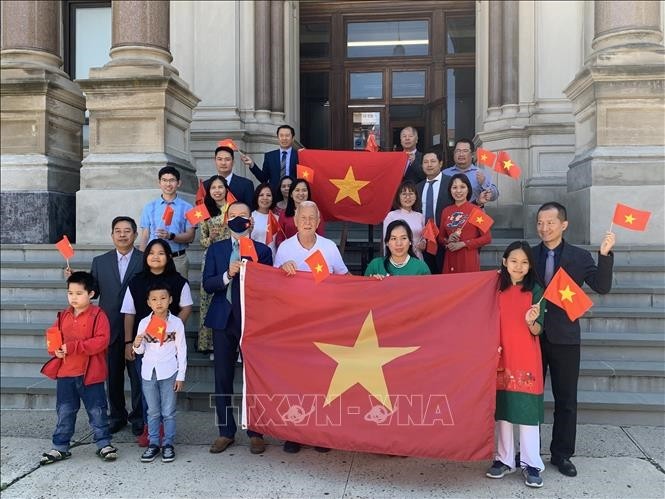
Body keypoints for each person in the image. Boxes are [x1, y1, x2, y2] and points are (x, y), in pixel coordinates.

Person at [532, 202, 615, 478]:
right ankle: (530, 453)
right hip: (531, 336)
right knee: (529, 398)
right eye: (540, 223)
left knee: (566, 400)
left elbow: (602, 286)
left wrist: (604, 255)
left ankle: (562, 453)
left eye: (550, 222)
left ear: (564, 225)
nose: (544, 228)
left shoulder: (579, 257)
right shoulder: (528, 255)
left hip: (565, 338)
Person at [274, 200, 349, 454]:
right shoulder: (284, 248)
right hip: (295, 325)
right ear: (295, 221)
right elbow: (271, 285)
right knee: (295, 379)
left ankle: (320, 433)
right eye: (303, 217)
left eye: (312, 218)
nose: (307, 222)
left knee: (322, 379)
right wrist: (282, 270)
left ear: (318, 222)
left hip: (324, 323)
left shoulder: (328, 247)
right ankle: (294, 433)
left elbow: (345, 279)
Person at [203, 202, 273, 456]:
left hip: (251, 321)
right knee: (222, 378)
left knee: (253, 378)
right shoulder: (216, 250)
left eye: (242, 216)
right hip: (223, 320)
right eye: (233, 216)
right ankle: (225, 431)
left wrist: (250, 271)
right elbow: (208, 284)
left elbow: (268, 287)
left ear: (250, 220)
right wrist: (227, 274)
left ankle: (256, 432)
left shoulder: (262, 251)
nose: (237, 219)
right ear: (225, 220)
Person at [40, 271, 118, 465]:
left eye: (79, 293)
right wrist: (55, 350)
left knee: (97, 410)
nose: (73, 297)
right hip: (66, 372)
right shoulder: (63, 315)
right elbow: (53, 336)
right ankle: (60, 446)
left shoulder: (98, 315)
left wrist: (75, 346)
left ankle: (104, 443)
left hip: (90, 373)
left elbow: (102, 341)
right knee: (65, 410)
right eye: (70, 293)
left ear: (91, 294)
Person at [121, 238, 193, 446]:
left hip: (168, 348)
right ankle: (148, 429)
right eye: (151, 252)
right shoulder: (135, 282)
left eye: (161, 253)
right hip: (143, 346)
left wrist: (173, 328)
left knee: (166, 393)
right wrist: (129, 342)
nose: (155, 256)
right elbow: (128, 313)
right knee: (147, 390)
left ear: (168, 257)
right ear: (146, 256)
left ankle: (165, 432)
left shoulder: (179, 281)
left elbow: (186, 307)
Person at [486, 241, 545, 488]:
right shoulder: (494, 288)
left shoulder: (536, 290)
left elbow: (538, 329)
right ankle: (504, 459)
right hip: (500, 355)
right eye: (513, 261)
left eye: (524, 262)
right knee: (504, 411)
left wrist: (532, 320)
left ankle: (532, 463)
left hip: (526, 356)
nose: (518, 267)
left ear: (530, 265)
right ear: (504, 262)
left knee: (528, 412)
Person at [133, 282, 187, 463]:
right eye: (154, 299)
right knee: (153, 411)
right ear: (148, 302)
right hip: (149, 372)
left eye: (163, 298)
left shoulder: (176, 323)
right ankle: (153, 443)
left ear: (170, 300)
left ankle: (168, 443)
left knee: (169, 411)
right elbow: (140, 352)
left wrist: (181, 375)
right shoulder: (144, 323)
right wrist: (136, 343)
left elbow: (182, 350)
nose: (159, 303)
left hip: (169, 371)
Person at [139, 166, 195, 279]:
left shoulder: (189, 208)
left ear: (178, 183)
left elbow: (191, 236)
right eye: (164, 180)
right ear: (159, 183)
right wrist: (141, 258)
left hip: (177, 259)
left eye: (172, 180)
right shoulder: (149, 207)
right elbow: (145, 236)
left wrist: (171, 236)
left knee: (178, 293)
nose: (168, 184)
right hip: (154, 260)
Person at [198, 175, 231, 357]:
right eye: (213, 188)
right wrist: (209, 239)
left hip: (229, 256)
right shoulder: (204, 211)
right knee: (207, 300)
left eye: (220, 187)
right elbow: (202, 240)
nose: (217, 190)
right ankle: (207, 343)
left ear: (226, 189)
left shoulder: (233, 208)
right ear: (209, 191)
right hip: (211, 257)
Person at [437, 173, 492, 274]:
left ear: (468, 189)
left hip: (468, 258)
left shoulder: (476, 210)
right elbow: (440, 238)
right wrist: (447, 240)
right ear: (450, 190)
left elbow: (487, 238)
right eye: (454, 187)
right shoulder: (446, 211)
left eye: (462, 187)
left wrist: (464, 244)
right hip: (450, 257)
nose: (458, 191)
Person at [416, 149, 453, 274]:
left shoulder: (450, 183)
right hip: (424, 239)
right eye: (425, 162)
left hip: (445, 237)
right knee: (427, 275)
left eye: (433, 161)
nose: (429, 165)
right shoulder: (418, 187)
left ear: (441, 163)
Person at [241, 125, 299, 193]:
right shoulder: (269, 156)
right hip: (275, 194)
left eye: (287, 135)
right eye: (281, 135)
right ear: (278, 137)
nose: (284, 138)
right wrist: (252, 164)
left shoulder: (299, 155)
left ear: (293, 138)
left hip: (294, 193)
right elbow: (264, 178)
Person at [443, 138, 498, 206]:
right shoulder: (445, 173)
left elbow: (495, 195)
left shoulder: (480, 173)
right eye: (458, 151)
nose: (461, 154)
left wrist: (484, 183)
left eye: (465, 151)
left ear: (472, 154)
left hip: (475, 214)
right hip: (451, 214)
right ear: (454, 154)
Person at [366, 220, 430, 277]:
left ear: (410, 241)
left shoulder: (421, 267)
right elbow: (364, 289)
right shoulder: (375, 265)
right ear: (387, 243)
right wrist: (373, 282)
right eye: (393, 238)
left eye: (403, 238)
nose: (399, 243)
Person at [383, 181, 426, 260]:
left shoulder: (420, 216)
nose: (408, 197)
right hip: (397, 258)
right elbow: (386, 241)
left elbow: (423, 237)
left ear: (416, 196)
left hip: (417, 258)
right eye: (404, 194)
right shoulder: (391, 216)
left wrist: (423, 243)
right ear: (398, 197)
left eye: (411, 194)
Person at [275, 178, 326, 247]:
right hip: (289, 254)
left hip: (311, 253)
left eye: (304, 190)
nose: (301, 193)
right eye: (297, 190)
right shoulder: (283, 214)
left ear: (308, 193)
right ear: (291, 194)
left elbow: (321, 237)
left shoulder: (316, 213)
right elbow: (279, 238)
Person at [205, 145, 254, 209]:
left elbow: (250, 210)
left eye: (227, 159)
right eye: (219, 159)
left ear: (233, 162)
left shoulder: (246, 184)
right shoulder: (205, 185)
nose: (223, 163)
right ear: (215, 161)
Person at [251, 183, 278, 258]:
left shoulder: (277, 219)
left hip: (273, 259)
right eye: (261, 195)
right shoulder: (250, 217)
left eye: (268, 195)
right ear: (256, 197)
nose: (265, 198)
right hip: (256, 258)